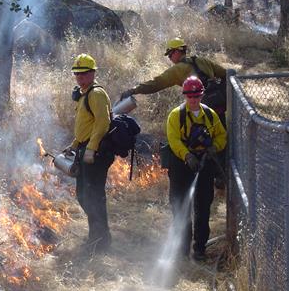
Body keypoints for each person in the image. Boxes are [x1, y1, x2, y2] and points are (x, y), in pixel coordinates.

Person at [120, 37, 227, 188]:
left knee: (196, 142)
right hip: (216, 110)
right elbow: (225, 73)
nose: (170, 58)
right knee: (219, 139)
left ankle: (201, 176)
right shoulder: (202, 60)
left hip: (197, 112)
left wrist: (134, 90)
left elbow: (155, 84)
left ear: (177, 51)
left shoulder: (178, 70)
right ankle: (221, 176)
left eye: (170, 54)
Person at [166, 76, 227, 261]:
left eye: (197, 96)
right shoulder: (176, 115)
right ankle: (182, 249)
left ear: (201, 95)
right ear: (185, 95)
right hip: (181, 166)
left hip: (204, 165)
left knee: (203, 208)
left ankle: (199, 248)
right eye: (190, 96)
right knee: (180, 207)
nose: (193, 99)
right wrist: (187, 155)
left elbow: (221, 135)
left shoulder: (210, 115)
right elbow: (174, 139)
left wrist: (213, 148)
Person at [63, 53, 115, 253]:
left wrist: (91, 148)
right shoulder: (84, 94)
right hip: (85, 149)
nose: (79, 77)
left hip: (97, 151)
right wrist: (75, 145)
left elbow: (102, 123)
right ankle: (98, 234)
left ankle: (101, 240)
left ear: (93, 73)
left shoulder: (96, 94)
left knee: (93, 195)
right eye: (77, 74)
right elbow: (86, 125)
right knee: (83, 195)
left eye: (84, 73)